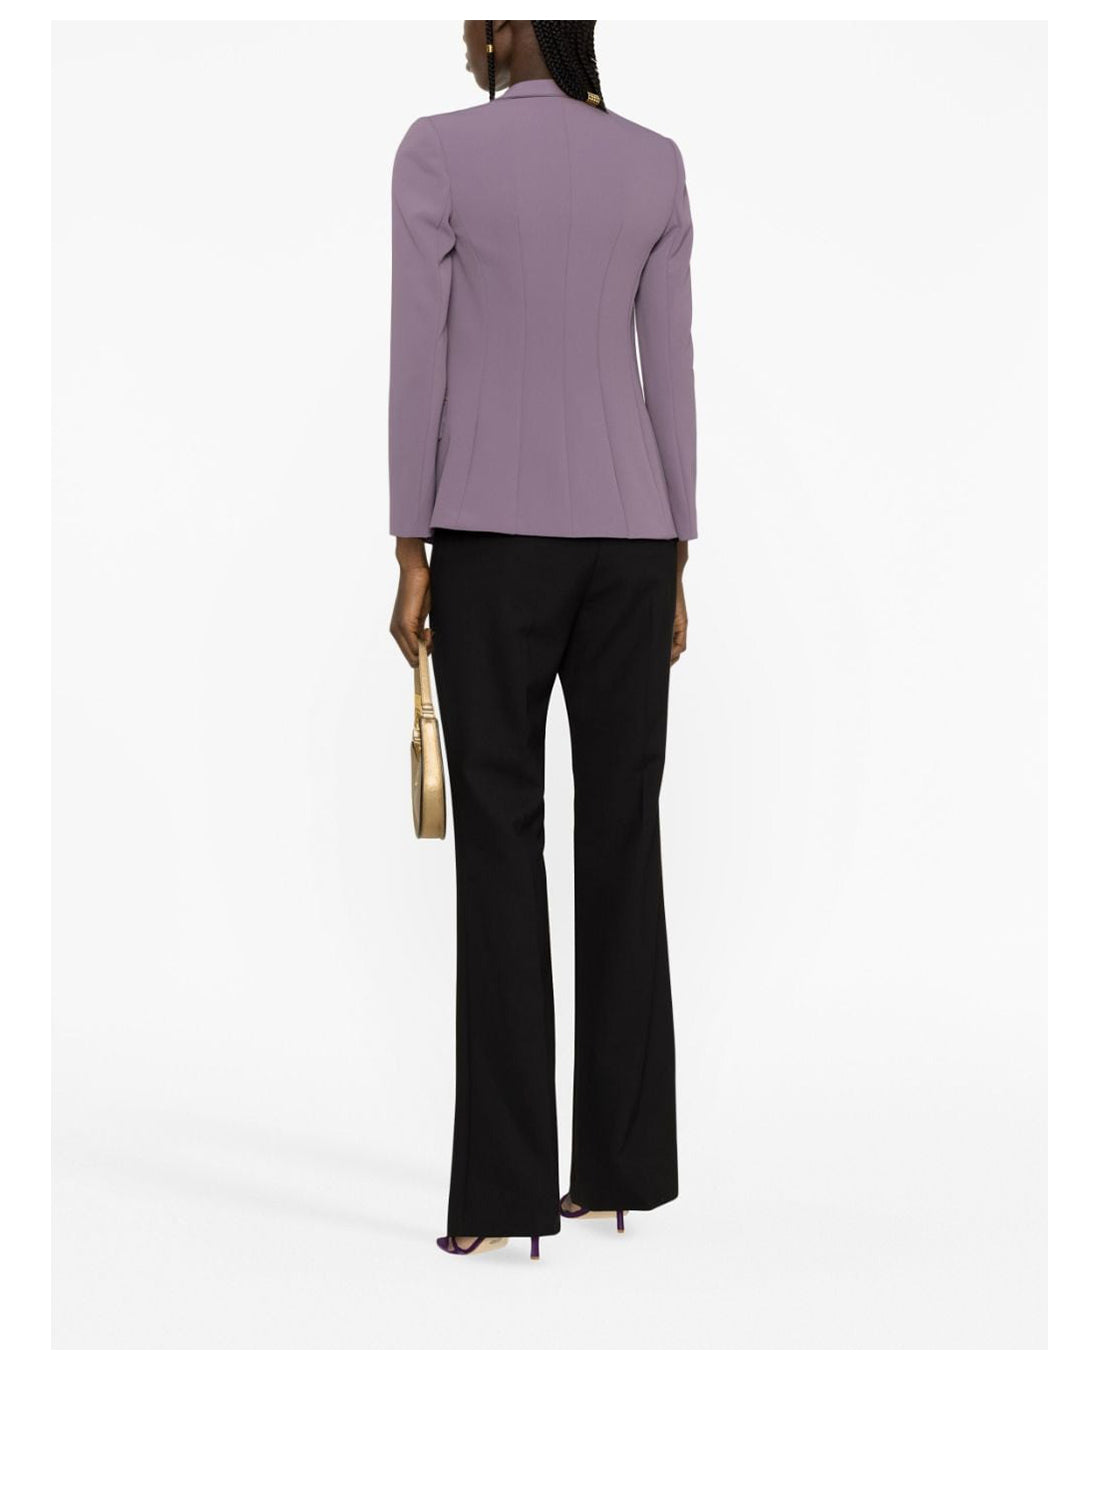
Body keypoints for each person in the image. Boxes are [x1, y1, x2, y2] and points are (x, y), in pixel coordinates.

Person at [388, 20, 696, 1260]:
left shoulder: (437, 153)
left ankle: (502, 1197)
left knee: (500, 853)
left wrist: (408, 544)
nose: (465, 30)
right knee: (621, 838)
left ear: (514, 26)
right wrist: (677, 549)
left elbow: (419, 358)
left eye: (478, 11)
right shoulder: (653, 163)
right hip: (631, 541)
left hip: (490, 538)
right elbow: (667, 370)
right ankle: (617, 1171)